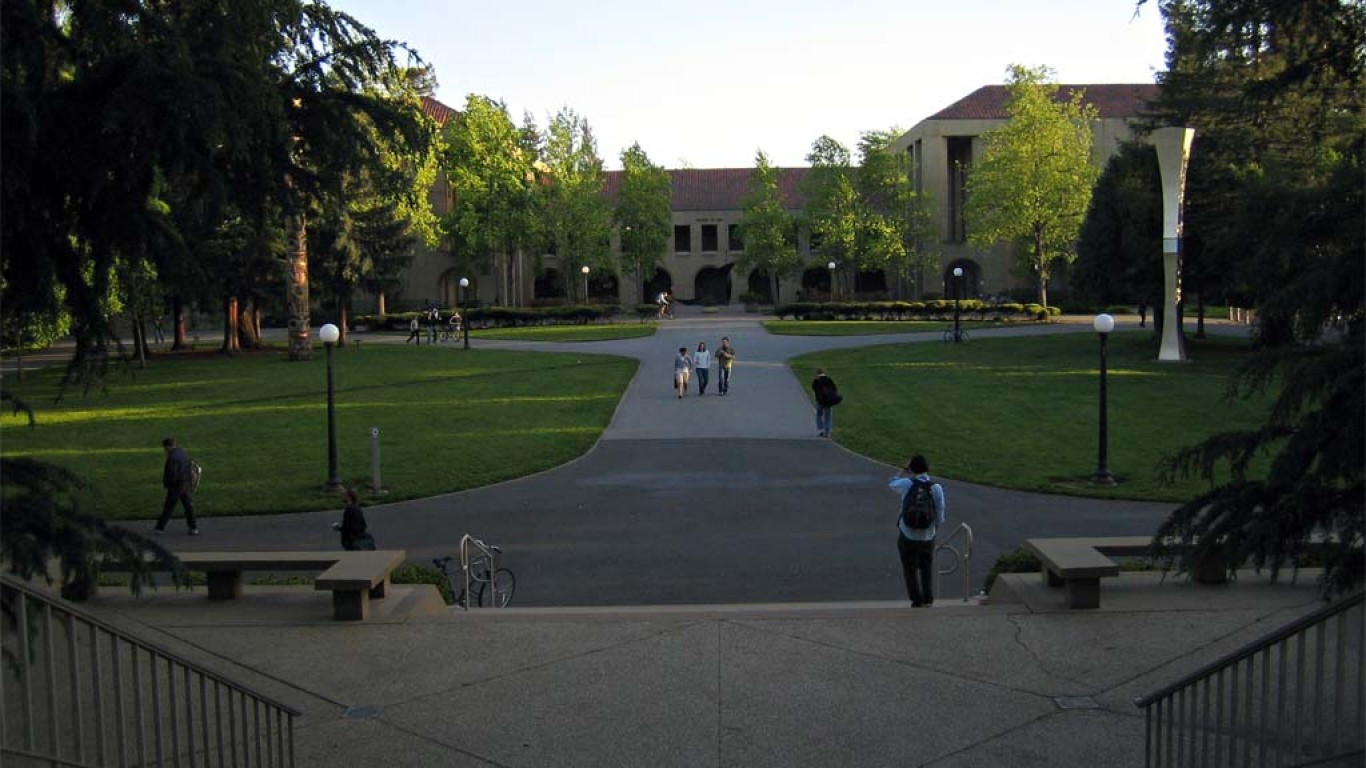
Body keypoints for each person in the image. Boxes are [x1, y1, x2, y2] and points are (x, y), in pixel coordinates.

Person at [889, 454, 946, 607]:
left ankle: (916, 599)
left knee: (909, 568)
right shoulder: (936, 488)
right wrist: (934, 528)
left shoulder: (907, 484)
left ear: (912, 468)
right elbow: (940, 514)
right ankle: (928, 598)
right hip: (928, 535)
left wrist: (902, 470)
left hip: (907, 533)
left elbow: (891, 483)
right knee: (926, 567)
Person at [155, 437, 198, 535]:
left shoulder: (172, 457)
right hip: (185, 483)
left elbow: (172, 474)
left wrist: (168, 484)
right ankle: (193, 527)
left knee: (169, 507)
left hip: (176, 486)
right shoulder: (182, 452)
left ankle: (160, 527)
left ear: (168, 446)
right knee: (188, 506)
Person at [811, 368, 841, 437]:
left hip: (819, 401)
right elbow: (835, 389)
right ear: (824, 373)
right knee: (828, 417)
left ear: (817, 374)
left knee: (819, 415)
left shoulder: (816, 381)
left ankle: (820, 430)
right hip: (828, 401)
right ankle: (828, 432)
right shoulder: (829, 379)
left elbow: (813, 388)